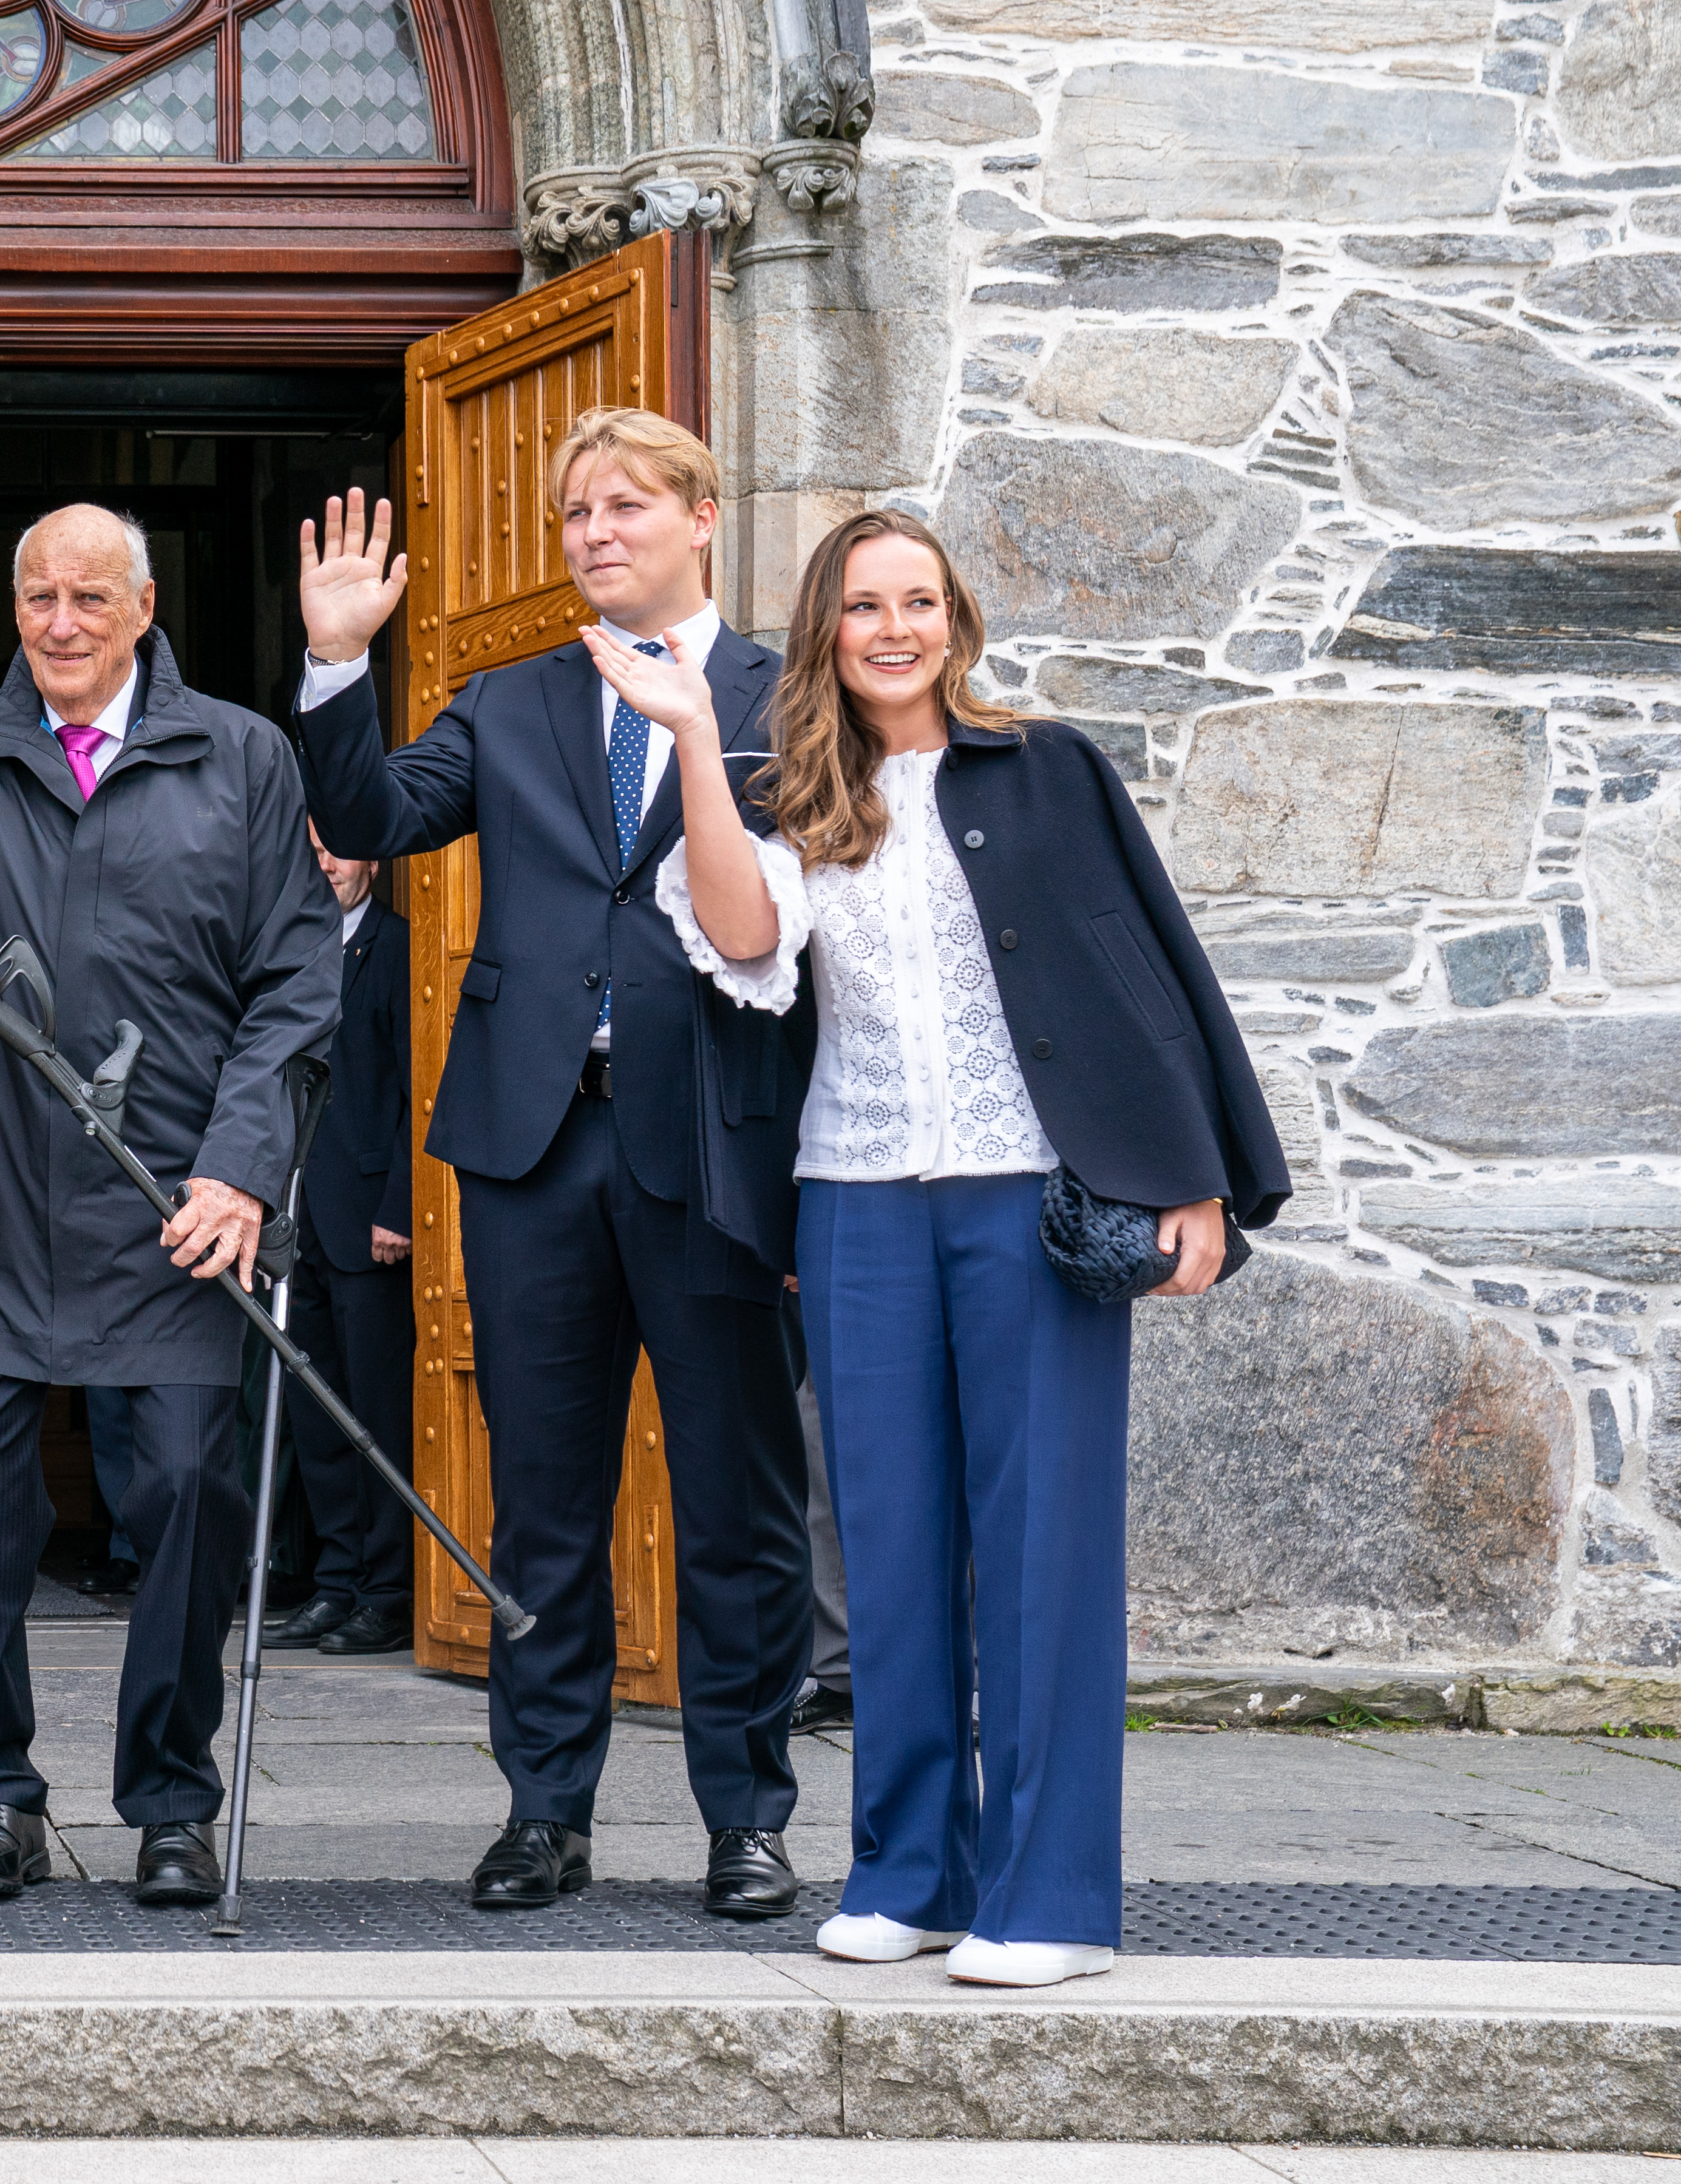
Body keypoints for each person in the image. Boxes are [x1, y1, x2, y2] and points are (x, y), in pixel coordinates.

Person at [645, 507, 1286, 1987]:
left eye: (918, 600)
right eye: (864, 603)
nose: (893, 626)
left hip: (1029, 1197)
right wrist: (689, 732)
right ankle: (912, 1870)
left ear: (957, 619)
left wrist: (1192, 1178)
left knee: (1044, 1544)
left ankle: (1050, 1895)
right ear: (826, 627)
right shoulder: (791, 790)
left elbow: (1146, 970)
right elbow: (743, 942)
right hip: (857, 1195)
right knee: (890, 1546)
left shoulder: (1044, 767)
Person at [293, 406, 814, 1921]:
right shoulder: (508, 696)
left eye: (627, 506)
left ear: (702, 517)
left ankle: (746, 1817)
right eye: (576, 512)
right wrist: (340, 663)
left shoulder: (790, 696)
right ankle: (545, 1809)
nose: (594, 532)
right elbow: (368, 814)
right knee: (543, 1504)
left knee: (738, 1497)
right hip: (531, 1148)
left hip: (719, 1146)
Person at [0, 453, 339, 1911]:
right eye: (35, 592)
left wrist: (240, 1172)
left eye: (88, 591)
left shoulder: (240, 754)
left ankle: (168, 1795)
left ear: (145, 605)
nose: (58, 615)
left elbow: (294, 980)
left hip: (170, 1200)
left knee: (179, 1492)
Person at [264, 822, 418, 1659]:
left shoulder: (401, 949)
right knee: (318, 1415)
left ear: (374, 854)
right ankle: (336, 1583)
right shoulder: (284, 955)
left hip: (370, 1222)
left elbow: (415, 1088)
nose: (329, 861)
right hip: (298, 1221)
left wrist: (401, 1204)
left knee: (378, 1414)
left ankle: (388, 1593)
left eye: (342, 846)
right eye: (315, 846)